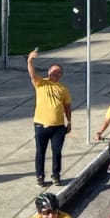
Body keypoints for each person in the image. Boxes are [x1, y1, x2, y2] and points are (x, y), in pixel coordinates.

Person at [26, 48, 72, 187]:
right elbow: (32, 74)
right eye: (54, 72)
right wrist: (30, 60)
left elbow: (67, 106)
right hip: (41, 125)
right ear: (48, 72)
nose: (56, 74)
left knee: (57, 152)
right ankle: (40, 176)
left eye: (59, 72)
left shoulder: (63, 89)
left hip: (58, 127)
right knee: (40, 152)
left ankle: (56, 175)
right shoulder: (41, 83)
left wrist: (69, 122)